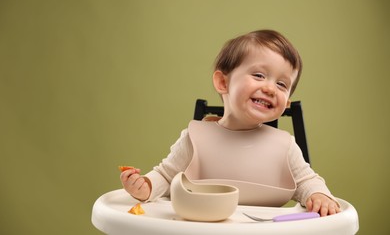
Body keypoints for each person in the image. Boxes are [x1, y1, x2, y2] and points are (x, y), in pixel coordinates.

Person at [120, 29, 341, 216]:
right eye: (258, 75)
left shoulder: (285, 146)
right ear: (223, 82)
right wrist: (145, 188)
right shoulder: (195, 139)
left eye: (282, 84)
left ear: (287, 103)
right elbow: (166, 176)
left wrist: (318, 195)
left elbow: (306, 181)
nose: (270, 88)